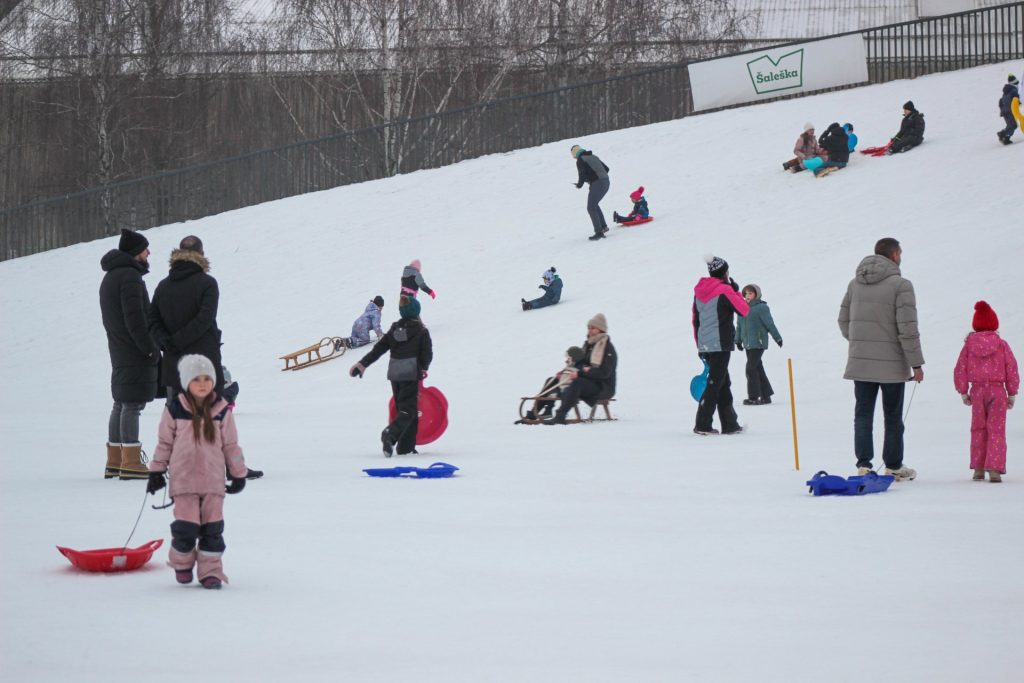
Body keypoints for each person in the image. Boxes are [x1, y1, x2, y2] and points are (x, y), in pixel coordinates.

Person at [146, 354, 256, 589]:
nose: (203, 384)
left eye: (207, 378)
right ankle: (182, 562)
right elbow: (164, 443)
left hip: (213, 482)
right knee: (186, 528)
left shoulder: (221, 410)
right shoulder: (175, 409)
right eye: (197, 379)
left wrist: (239, 473)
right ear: (187, 383)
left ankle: (211, 572)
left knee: (212, 530)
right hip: (184, 481)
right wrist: (156, 471)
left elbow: (231, 446)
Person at [838, 237, 924, 480]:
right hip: (893, 365)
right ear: (895, 254)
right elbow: (908, 328)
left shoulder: (855, 284)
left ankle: (864, 465)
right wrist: (916, 363)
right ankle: (894, 466)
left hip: (861, 361)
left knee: (863, 414)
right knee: (893, 416)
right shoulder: (901, 285)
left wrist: (860, 342)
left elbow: (843, 321)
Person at [99, 229, 160, 480]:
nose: (149, 253)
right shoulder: (130, 278)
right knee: (132, 404)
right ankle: (132, 463)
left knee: (120, 402)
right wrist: (149, 348)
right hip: (134, 349)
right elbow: (136, 318)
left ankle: (115, 460)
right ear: (136, 253)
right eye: (145, 249)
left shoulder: (112, 277)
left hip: (118, 348)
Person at [350, 295, 433, 457]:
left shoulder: (395, 329)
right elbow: (427, 354)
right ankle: (390, 434)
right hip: (410, 373)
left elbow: (379, 349)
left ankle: (405, 449)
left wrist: (362, 364)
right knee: (408, 411)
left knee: (406, 411)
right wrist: (424, 367)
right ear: (417, 312)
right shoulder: (421, 331)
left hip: (395, 374)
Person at [149, 235, 225, 400]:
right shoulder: (208, 283)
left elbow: (152, 321)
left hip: (173, 364)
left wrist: (166, 342)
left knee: (176, 419)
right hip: (204, 366)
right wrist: (176, 342)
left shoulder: (163, 286)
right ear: (202, 254)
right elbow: (205, 319)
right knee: (208, 418)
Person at [953, 301, 1019, 482]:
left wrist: (963, 391)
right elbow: (1011, 367)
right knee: (996, 429)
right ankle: (995, 469)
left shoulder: (969, 345)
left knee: (978, 428)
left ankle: (979, 468)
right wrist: (1011, 392)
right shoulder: (1002, 345)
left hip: (977, 391)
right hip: (998, 391)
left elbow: (961, 368)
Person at [692, 255, 749, 435]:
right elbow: (744, 310)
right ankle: (702, 424)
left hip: (706, 344)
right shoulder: (725, 290)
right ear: (723, 273)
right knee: (715, 383)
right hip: (720, 344)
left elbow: (696, 320)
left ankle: (730, 424)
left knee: (722, 382)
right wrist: (735, 291)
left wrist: (700, 346)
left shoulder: (699, 291)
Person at [544, 314, 617, 425]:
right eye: (589, 328)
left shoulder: (607, 349)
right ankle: (537, 412)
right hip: (588, 382)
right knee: (552, 380)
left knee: (577, 383)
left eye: (593, 328)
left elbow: (604, 373)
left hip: (603, 387)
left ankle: (560, 416)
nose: (590, 331)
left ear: (601, 329)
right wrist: (566, 372)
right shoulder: (588, 345)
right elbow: (580, 365)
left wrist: (581, 373)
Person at [736, 284, 783, 406]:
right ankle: (766, 396)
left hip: (758, 342)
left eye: (750, 293)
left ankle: (753, 397)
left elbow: (770, 324)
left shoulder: (761, 308)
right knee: (758, 368)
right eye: (746, 293)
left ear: (757, 294)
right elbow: (739, 326)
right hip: (748, 343)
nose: (747, 296)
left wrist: (777, 338)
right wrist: (737, 340)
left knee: (750, 368)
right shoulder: (741, 308)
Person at [516, 346, 586, 423]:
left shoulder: (581, 367)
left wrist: (563, 376)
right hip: (563, 389)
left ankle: (545, 410)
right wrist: (560, 375)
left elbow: (576, 380)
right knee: (550, 380)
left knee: (551, 388)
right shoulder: (572, 365)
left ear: (574, 358)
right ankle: (541, 411)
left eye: (568, 358)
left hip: (570, 392)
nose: (566, 360)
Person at [570, 144, 611, 241]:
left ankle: (599, 232)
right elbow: (606, 169)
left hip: (598, 183)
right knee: (594, 205)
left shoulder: (580, 159)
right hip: (606, 182)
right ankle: (603, 227)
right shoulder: (593, 156)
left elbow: (582, 174)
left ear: (575, 154)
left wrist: (579, 185)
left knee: (591, 208)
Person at [997, 74, 1022, 145]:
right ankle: (1002, 134)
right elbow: (1016, 99)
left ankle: (1006, 138)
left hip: (1005, 111)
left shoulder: (1006, 91)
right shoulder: (1014, 91)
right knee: (1013, 125)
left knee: (1011, 125)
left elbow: (1001, 101)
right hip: (1009, 110)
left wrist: (1002, 110)